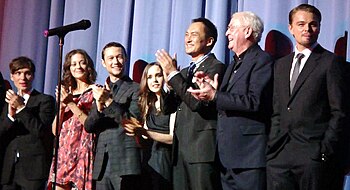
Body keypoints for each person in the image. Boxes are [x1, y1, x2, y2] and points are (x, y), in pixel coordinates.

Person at [266, 4, 349, 190]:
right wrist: (273, 147)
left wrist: (324, 151)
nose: (307, 29)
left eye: (313, 24)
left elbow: (340, 112)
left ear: (319, 27)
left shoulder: (331, 62)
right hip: (280, 157)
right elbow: (278, 108)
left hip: (313, 157)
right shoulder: (280, 65)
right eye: (301, 24)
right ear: (291, 28)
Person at [188, 12, 273, 190]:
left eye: (231, 28)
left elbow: (254, 101)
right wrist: (211, 88)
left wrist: (216, 95)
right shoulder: (233, 63)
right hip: (227, 156)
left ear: (248, 31)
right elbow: (228, 99)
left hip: (249, 158)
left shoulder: (262, 60)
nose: (227, 33)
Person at [156, 17, 225, 190]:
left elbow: (197, 103)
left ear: (209, 41)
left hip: (202, 151)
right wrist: (168, 84)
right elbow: (167, 108)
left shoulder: (216, 67)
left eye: (194, 34)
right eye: (186, 34)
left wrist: (173, 75)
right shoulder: (184, 72)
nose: (188, 39)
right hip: (180, 151)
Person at [84, 42, 141, 190]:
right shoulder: (100, 91)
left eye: (119, 57)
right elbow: (89, 126)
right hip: (102, 164)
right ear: (103, 63)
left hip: (125, 163)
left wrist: (108, 101)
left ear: (125, 59)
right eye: (110, 58)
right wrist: (99, 105)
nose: (115, 62)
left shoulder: (136, 88)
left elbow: (131, 120)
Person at [0, 56, 55, 190]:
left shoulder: (45, 100)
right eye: (18, 73)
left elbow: (41, 131)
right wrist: (10, 116)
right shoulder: (6, 102)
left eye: (27, 73)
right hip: (9, 169)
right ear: (12, 77)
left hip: (33, 170)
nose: (23, 78)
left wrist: (21, 108)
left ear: (33, 76)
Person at [48, 49, 97, 190]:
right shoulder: (67, 93)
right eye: (74, 64)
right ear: (69, 68)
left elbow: (90, 124)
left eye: (82, 63)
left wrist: (71, 104)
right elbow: (55, 131)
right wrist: (62, 107)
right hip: (64, 152)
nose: (78, 67)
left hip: (83, 151)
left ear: (88, 67)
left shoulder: (95, 91)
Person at [123, 62, 177, 190]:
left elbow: (173, 138)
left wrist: (144, 132)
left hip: (165, 159)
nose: (155, 80)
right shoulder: (148, 103)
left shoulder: (173, 102)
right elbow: (145, 136)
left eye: (158, 75)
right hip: (148, 157)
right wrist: (134, 130)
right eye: (150, 77)